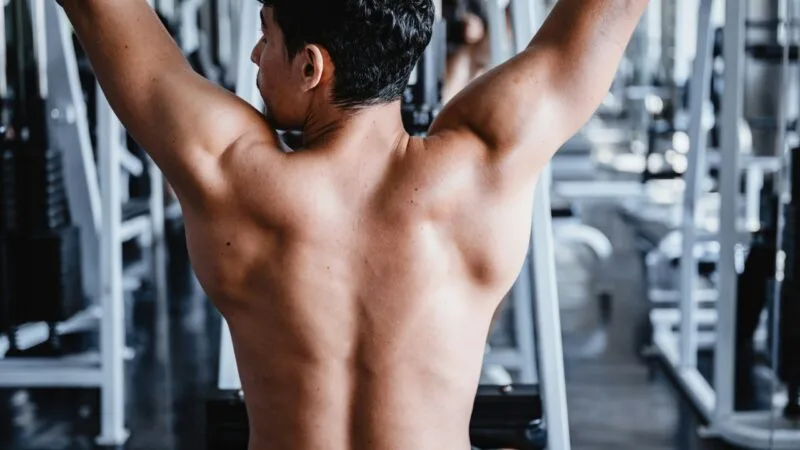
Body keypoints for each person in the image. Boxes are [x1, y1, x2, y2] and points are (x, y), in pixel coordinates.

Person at [60, 0, 648, 448]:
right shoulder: (485, 163)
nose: (255, 56)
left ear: (312, 66)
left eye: (266, 36)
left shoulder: (233, 179)